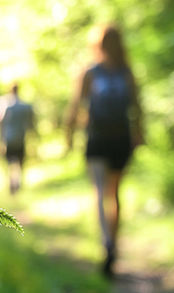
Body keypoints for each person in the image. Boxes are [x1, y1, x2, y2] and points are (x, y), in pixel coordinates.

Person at [65, 25, 144, 278]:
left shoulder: (89, 72)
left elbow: (75, 106)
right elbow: (137, 107)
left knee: (99, 192)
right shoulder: (126, 72)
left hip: (97, 139)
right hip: (120, 138)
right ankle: (114, 241)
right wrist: (141, 134)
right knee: (115, 193)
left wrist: (68, 136)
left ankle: (105, 242)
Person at [0, 83, 35, 194]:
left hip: (9, 138)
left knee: (10, 162)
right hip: (21, 138)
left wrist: (1, 140)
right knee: (20, 162)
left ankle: (12, 183)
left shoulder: (7, 107)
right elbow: (31, 123)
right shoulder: (26, 106)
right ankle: (18, 183)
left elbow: (2, 124)